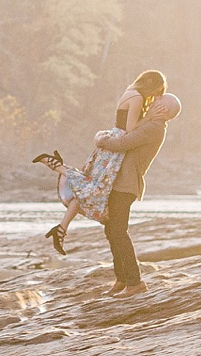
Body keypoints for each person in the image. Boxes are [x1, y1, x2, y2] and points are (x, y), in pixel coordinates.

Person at [33, 70, 179, 296]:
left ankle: (135, 283)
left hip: (126, 186)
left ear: (165, 110)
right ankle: (121, 279)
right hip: (117, 183)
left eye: (159, 100)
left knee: (119, 232)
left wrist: (100, 138)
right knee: (112, 231)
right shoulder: (147, 123)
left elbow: (123, 142)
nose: (154, 100)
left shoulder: (154, 128)